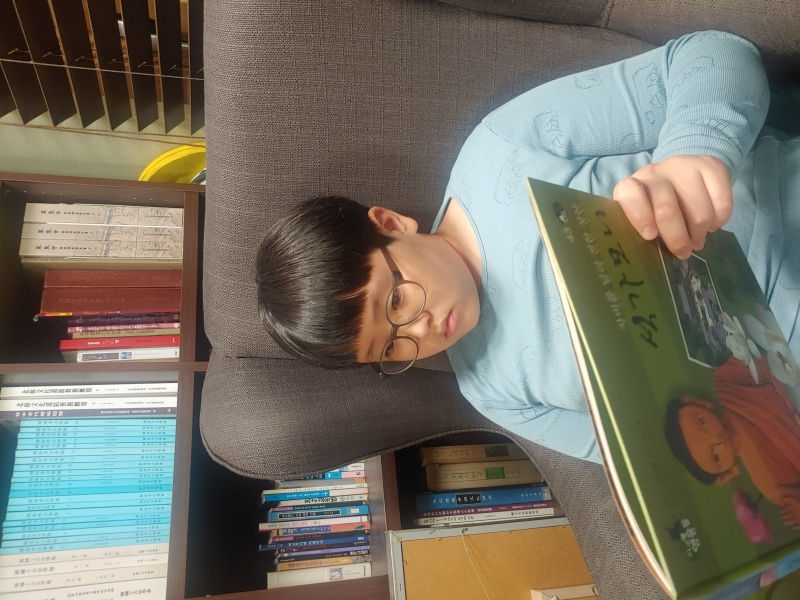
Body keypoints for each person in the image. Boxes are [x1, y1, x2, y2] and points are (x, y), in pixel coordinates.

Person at [256, 31, 800, 464]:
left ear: (391, 223)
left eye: (395, 300)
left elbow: (713, 56)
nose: (419, 332)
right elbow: (646, 467)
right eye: (390, 348)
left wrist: (695, 152)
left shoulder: (500, 153)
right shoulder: (492, 392)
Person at [664, 356, 800, 530]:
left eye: (702, 422)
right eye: (715, 456)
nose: (717, 438)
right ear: (724, 476)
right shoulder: (771, 485)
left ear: (697, 403)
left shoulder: (729, 380)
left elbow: (774, 359)